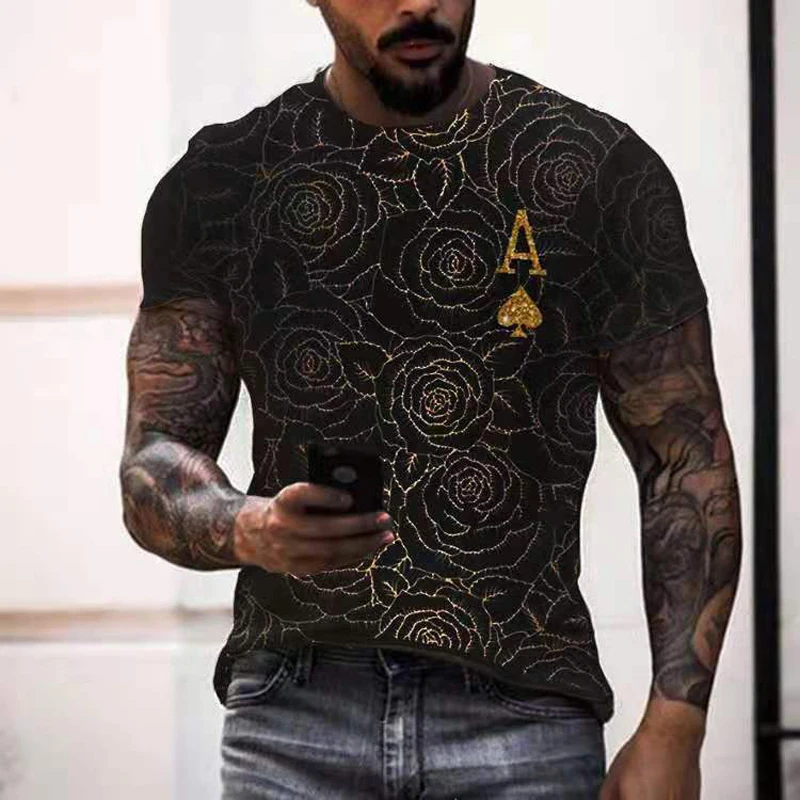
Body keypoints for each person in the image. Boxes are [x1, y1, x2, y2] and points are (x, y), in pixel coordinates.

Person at [119, 1, 742, 798]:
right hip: (294, 716)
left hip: (523, 715)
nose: (417, 3)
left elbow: (683, 458)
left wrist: (676, 726)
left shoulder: (593, 168)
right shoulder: (226, 181)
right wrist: (251, 527)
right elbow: (153, 461)